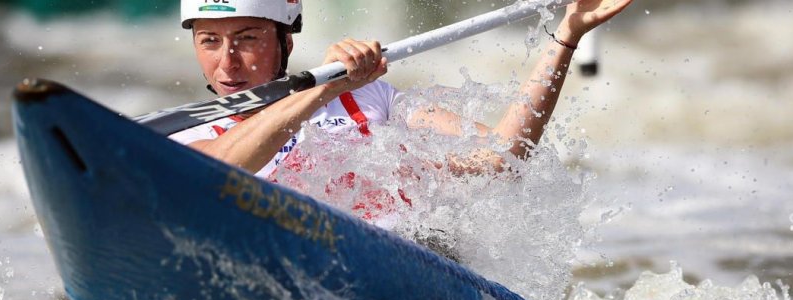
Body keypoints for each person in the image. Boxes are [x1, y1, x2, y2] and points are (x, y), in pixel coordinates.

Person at [169, 0, 632, 180]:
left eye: (247, 39)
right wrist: (322, 91)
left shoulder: (367, 99)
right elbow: (216, 171)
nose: (226, 60)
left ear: (285, 43)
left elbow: (500, 157)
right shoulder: (185, 136)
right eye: (209, 41)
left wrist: (566, 37)